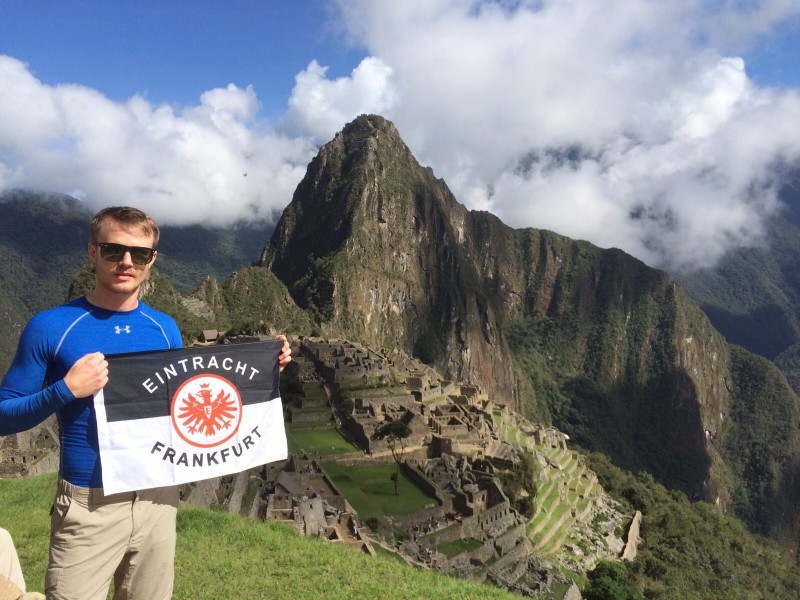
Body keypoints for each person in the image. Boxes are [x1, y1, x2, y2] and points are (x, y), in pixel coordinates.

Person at [0, 206, 291, 600]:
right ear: (92, 252)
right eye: (112, 250)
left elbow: (184, 405)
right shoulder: (52, 327)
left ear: (152, 259)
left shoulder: (163, 328)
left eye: (138, 254)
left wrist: (262, 372)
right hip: (90, 503)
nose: (125, 262)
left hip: (157, 499)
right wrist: (65, 389)